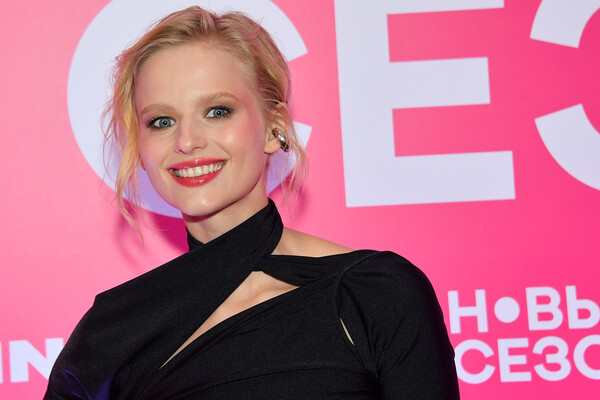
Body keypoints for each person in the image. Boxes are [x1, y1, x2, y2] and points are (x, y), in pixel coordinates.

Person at [45, 6, 459, 400]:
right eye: (162, 121)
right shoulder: (112, 332)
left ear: (273, 128)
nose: (187, 141)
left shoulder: (375, 292)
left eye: (217, 111)